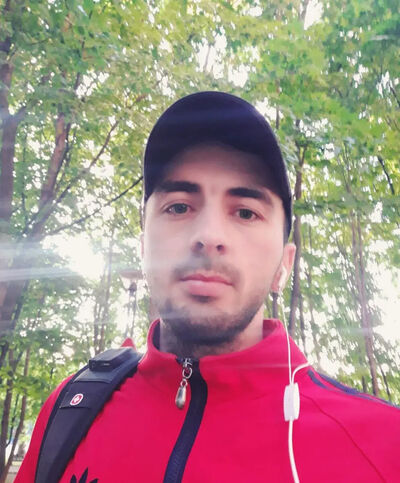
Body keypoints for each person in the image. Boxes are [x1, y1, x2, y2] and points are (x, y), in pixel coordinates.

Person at [16, 92, 400, 483]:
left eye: (246, 212)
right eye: (179, 207)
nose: (209, 236)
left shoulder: (385, 447)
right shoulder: (70, 411)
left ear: (283, 267)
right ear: (144, 249)